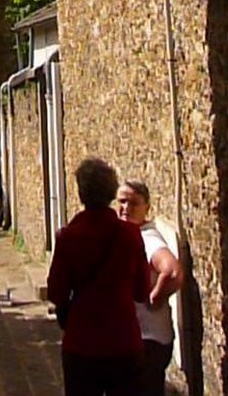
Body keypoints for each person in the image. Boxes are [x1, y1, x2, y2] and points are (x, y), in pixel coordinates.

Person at [47, 157, 149, 396]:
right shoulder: (130, 235)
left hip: (82, 344)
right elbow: (141, 291)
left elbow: (56, 293)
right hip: (124, 342)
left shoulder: (69, 237)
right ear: (111, 192)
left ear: (82, 193)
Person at [117, 180, 184, 396]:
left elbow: (173, 272)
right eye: (122, 201)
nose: (126, 208)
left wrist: (155, 297)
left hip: (148, 342)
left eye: (134, 203)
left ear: (147, 207)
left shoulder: (148, 238)